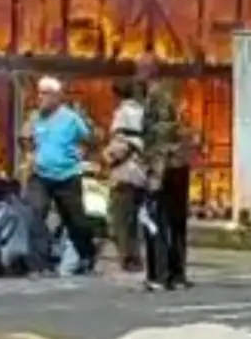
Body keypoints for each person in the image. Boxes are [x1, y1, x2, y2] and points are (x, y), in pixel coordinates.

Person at [21, 76, 97, 275]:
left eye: (45, 93)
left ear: (56, 96)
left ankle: (86, 256)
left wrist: (83, 153)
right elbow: (25, 138)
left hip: (67, 175)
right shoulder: (35, 117)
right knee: (35, 215)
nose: (40, 97)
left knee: (76, 220)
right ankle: (39, 265)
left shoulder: (71, 118)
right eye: (39, 93)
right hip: (41, 175)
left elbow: (90, 138)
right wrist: (30, 154)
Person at [138, 54, 191, 291]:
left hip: (164, 166)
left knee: (155, 221)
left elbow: (158, 137)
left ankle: (159, 275)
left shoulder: (154, 97)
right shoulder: (174, 93)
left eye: (140, 69)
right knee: (177, 222)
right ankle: (177, 274)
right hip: (180, 164)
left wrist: (154, 174)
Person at [104, 78, 146, 272]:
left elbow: (121, 144)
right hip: (141, 174)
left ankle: (129, 258)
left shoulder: (123, 114)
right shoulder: (143, 112)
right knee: (134, 220)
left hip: (125, 174)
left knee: (120, 219)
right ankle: (136, 256)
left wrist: (107, 157)